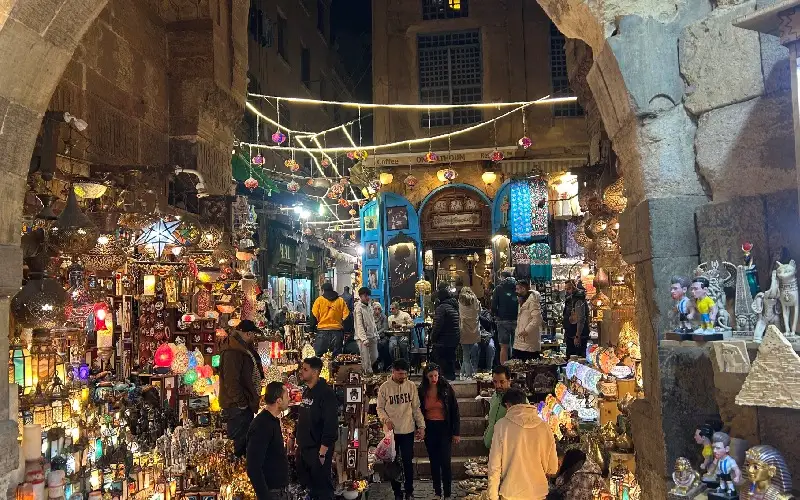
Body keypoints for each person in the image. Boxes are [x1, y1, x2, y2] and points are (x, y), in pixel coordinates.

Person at [487, 388, 558, 500]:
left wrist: (492, 496)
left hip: (511, 493)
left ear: (508, 405)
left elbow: (494, 467)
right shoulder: (545, 427)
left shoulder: (502, 426)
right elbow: (552, 468)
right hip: (538, 493)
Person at [376, 359, 425, 500]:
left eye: (405, 374)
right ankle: (397, 491)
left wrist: (421, 426)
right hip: (391, 433)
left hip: (408, 430)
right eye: (400, 374)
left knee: (407, 461)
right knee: (392, 462)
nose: (403, 377)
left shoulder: (411, 386)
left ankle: (409, 490)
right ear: (393, 372)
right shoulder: (384, 388)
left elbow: (416, 408)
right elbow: (379, 408)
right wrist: (386, 419)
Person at [219, 320, 264, 457]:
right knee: (238, 445)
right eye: (253, 335)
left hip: (243, 405)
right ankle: (236, 472)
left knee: (244, 442)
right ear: (248, 333)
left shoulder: (241, 348)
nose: (254, 338)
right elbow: (231, 382)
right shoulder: (233, 351)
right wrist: (242, 403)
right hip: (237, 408)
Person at [296, 357, 339, 500]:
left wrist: (322, 451)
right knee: (310, 489)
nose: (301, 372)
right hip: (304, 449)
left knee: (322, 489)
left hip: (318, 450)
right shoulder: (306, 392)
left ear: (315, 372)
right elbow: (302, 418)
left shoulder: (326, 394)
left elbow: (331, 424)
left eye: (305, 369)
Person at [418, 363, 460, 500]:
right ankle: (437, 492)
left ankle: (447, 493)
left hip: (444, 427)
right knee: (434, 462)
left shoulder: (446, 388)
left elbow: (454, 411)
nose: (434, 379)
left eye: (436, 375)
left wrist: (456, 432)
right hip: (430, 427)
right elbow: (418, 410)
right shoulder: (422, 390)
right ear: (426, 377)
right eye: (431, 376)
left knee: (445, 462)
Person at [246, 381, 290, 500]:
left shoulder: (272, 421)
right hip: (271, 492)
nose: (289, 399)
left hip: (278, 491)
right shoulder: (262, 425)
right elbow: (253, 466)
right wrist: (264, 495)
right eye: (287, 396)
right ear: (278, 401)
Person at [483, 365, 526, 449]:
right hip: (491, 446)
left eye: (502, 382)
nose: (498, 385)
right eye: (495, 382)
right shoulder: (495, 396)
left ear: (509, 381)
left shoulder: (518, 398)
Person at [311, 282, 350, 357]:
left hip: (322, 332)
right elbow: (347, 317)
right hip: (337, 333)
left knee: (320, 356)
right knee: (336, 357)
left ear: (323, 290)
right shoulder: (340, 301)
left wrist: (311, 330)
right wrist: (347, 331)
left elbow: (314, 316)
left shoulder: (319, 300)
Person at [431, 283, 460, 380]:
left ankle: (444, 383)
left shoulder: (441, 308)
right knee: (450, 361)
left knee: (442, 362)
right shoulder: (454, 306)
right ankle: (451, 381)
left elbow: (437, 325)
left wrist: (432, 338)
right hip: (454, 338)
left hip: (443, 340)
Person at [491, 271, 518, 364]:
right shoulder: (517, 287)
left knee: (504, 347)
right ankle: (516, 370)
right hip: (517, 319)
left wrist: (496, 315)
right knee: (516, 346)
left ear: (502, 277)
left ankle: (504, 370)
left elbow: (493, 305)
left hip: (502, 320)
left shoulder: (498, 288)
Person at [513, 279, 542, 361]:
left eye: (518, 289)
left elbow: (537, 319)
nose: (516, 291)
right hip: (521, 340)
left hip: (529, 341)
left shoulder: (532, 301)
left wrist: (527, 330)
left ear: (523, 289)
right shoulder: (522, 300)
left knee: (529, 365)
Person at [353, 287, 379, 374]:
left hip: (372, 336)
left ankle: (367, 371)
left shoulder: (370, 307)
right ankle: (366, 376)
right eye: (365, 295)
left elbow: (372, 322)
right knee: (365, 359)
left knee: (374, 356)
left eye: (368, 295)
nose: (367, 297)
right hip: (362, 338)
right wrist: (364, 339)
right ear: (361, 296)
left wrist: (376, 334)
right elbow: (359, 325)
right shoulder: (358, 308)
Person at [458, 287, 481, 380]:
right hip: (475, 331)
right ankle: (462, 374)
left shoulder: (460, 302)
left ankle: (468, 375)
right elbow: (480, 313)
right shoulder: (477, 302)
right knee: (468, 354)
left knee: (466, 355)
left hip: (464, 330)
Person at [565, 281, 590, 358]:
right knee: (572, 357)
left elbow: (581, 319)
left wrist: (577, 336)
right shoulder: (572, 299)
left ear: (573, 287)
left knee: (577, 358)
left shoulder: (578, 299)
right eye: (565, 289)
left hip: (576, 335)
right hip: (571, 334)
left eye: (568, 288)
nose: (567, 291)